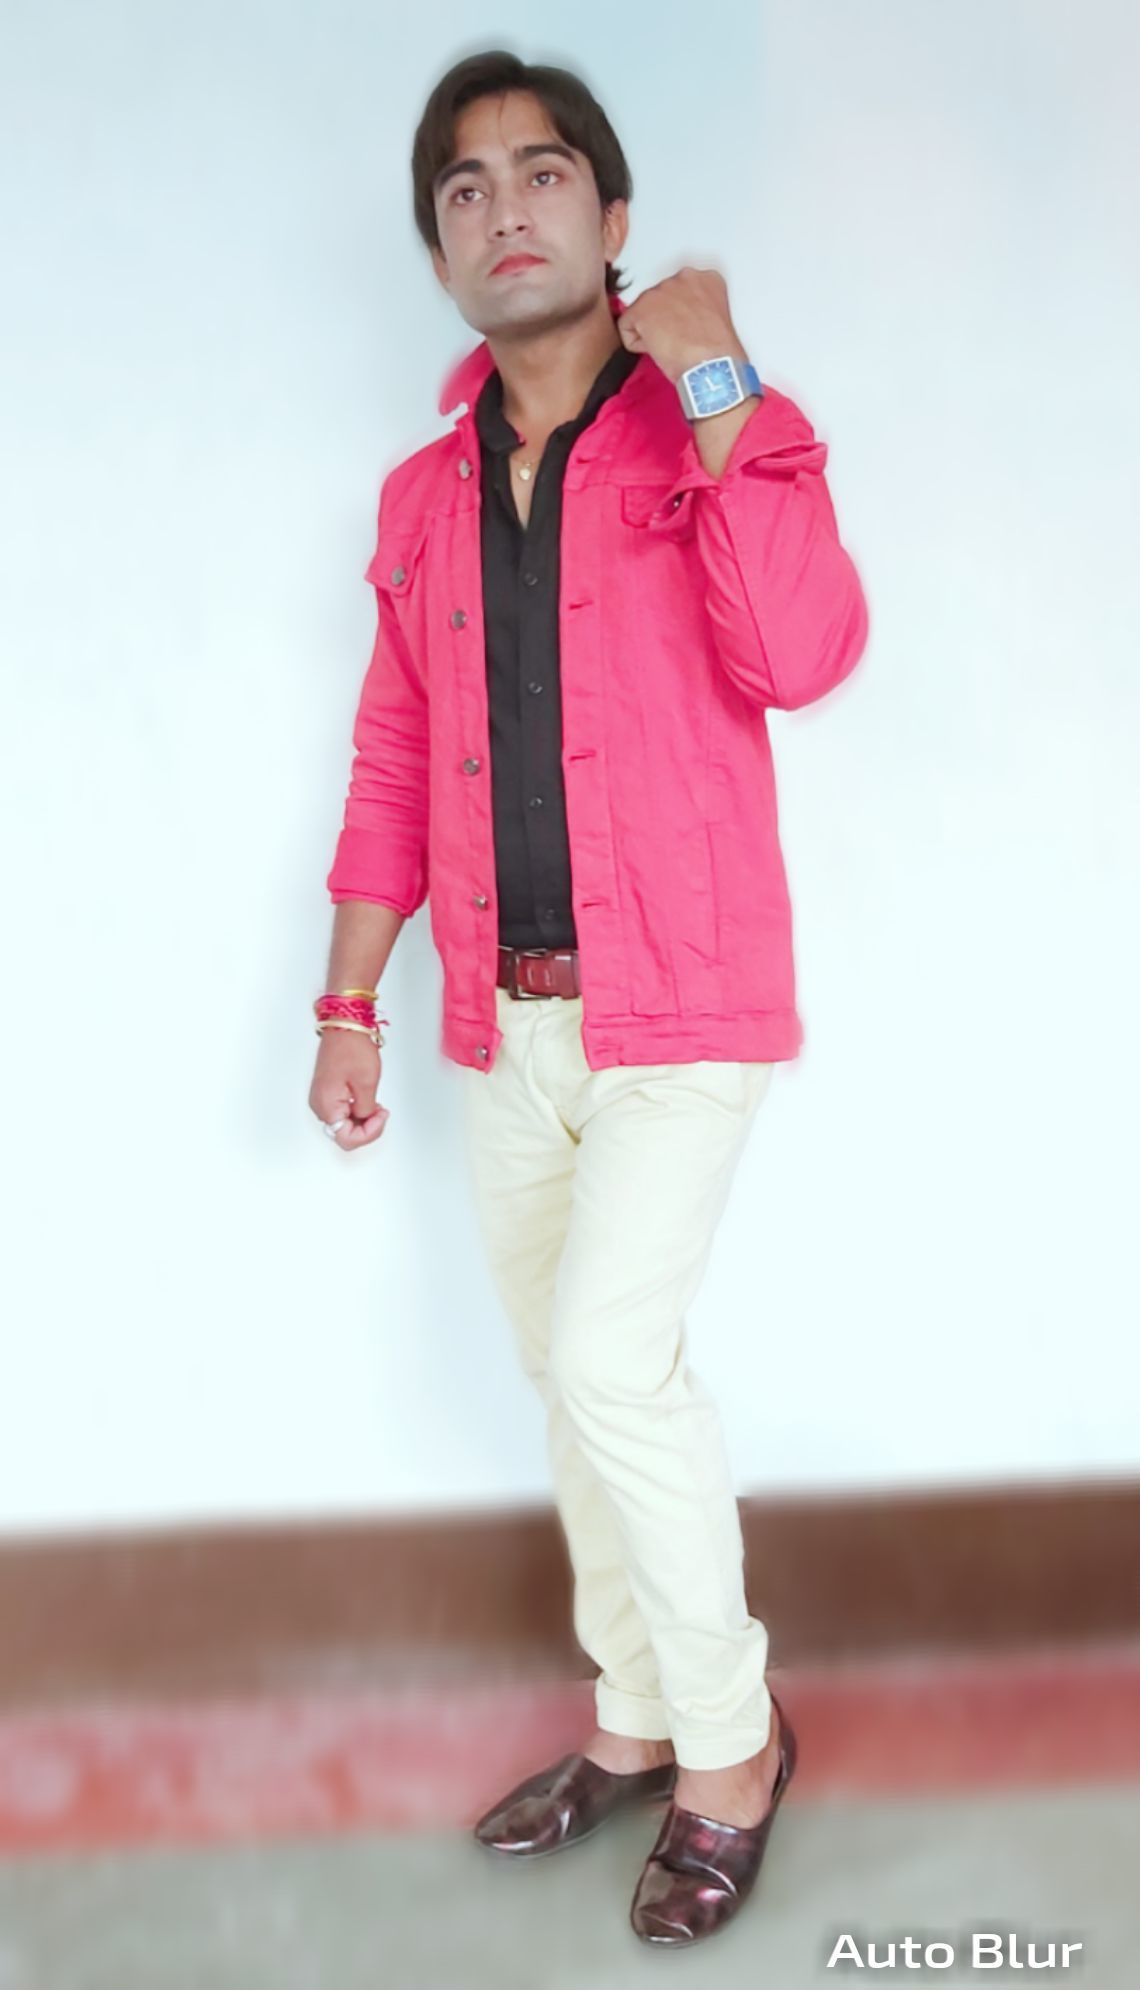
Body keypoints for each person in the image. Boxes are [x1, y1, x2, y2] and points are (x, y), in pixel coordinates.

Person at [309, 47, 868, 1948]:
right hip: (503, 1021)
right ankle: (633, 1712)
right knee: (572, 1383)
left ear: (612, 218)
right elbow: (397, 750)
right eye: (463, 190)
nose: (504, 210)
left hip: (681, 1004)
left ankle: (734, 1746)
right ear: (439, 251)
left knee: (615, 1364)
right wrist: (349, 1001)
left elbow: (803, 652)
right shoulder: (420, 498)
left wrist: (721, 381)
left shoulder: (708, 422)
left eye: (541, 173)